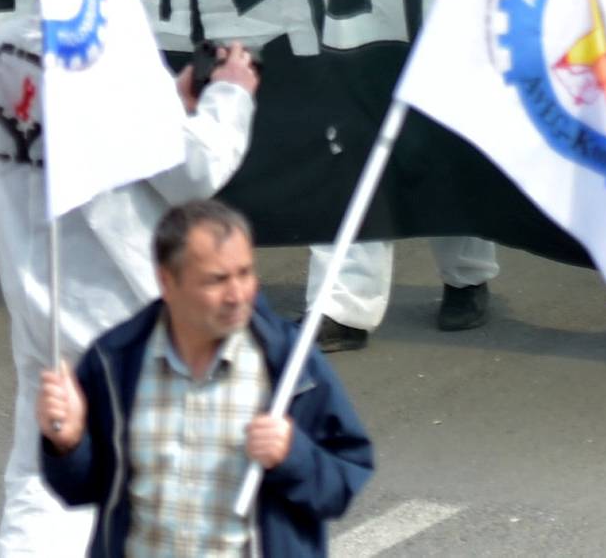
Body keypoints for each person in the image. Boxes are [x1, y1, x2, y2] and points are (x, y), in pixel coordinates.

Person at [0, 0, 259, 542]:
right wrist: (229, 97)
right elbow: (196, 170)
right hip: (123, 316)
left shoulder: (3, 49)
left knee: (42, 478)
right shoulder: (112, 66)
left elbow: (99, 149)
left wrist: (170, 104)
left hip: (39, 304)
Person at [38, 196, 374, 549]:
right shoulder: (115, 362)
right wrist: (69, 443)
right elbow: (81, 489)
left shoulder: (290, 363)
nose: (236, 295)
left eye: (245, 273)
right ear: (168, 282)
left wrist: (293, 455)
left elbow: (343, 483)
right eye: (216, 280)